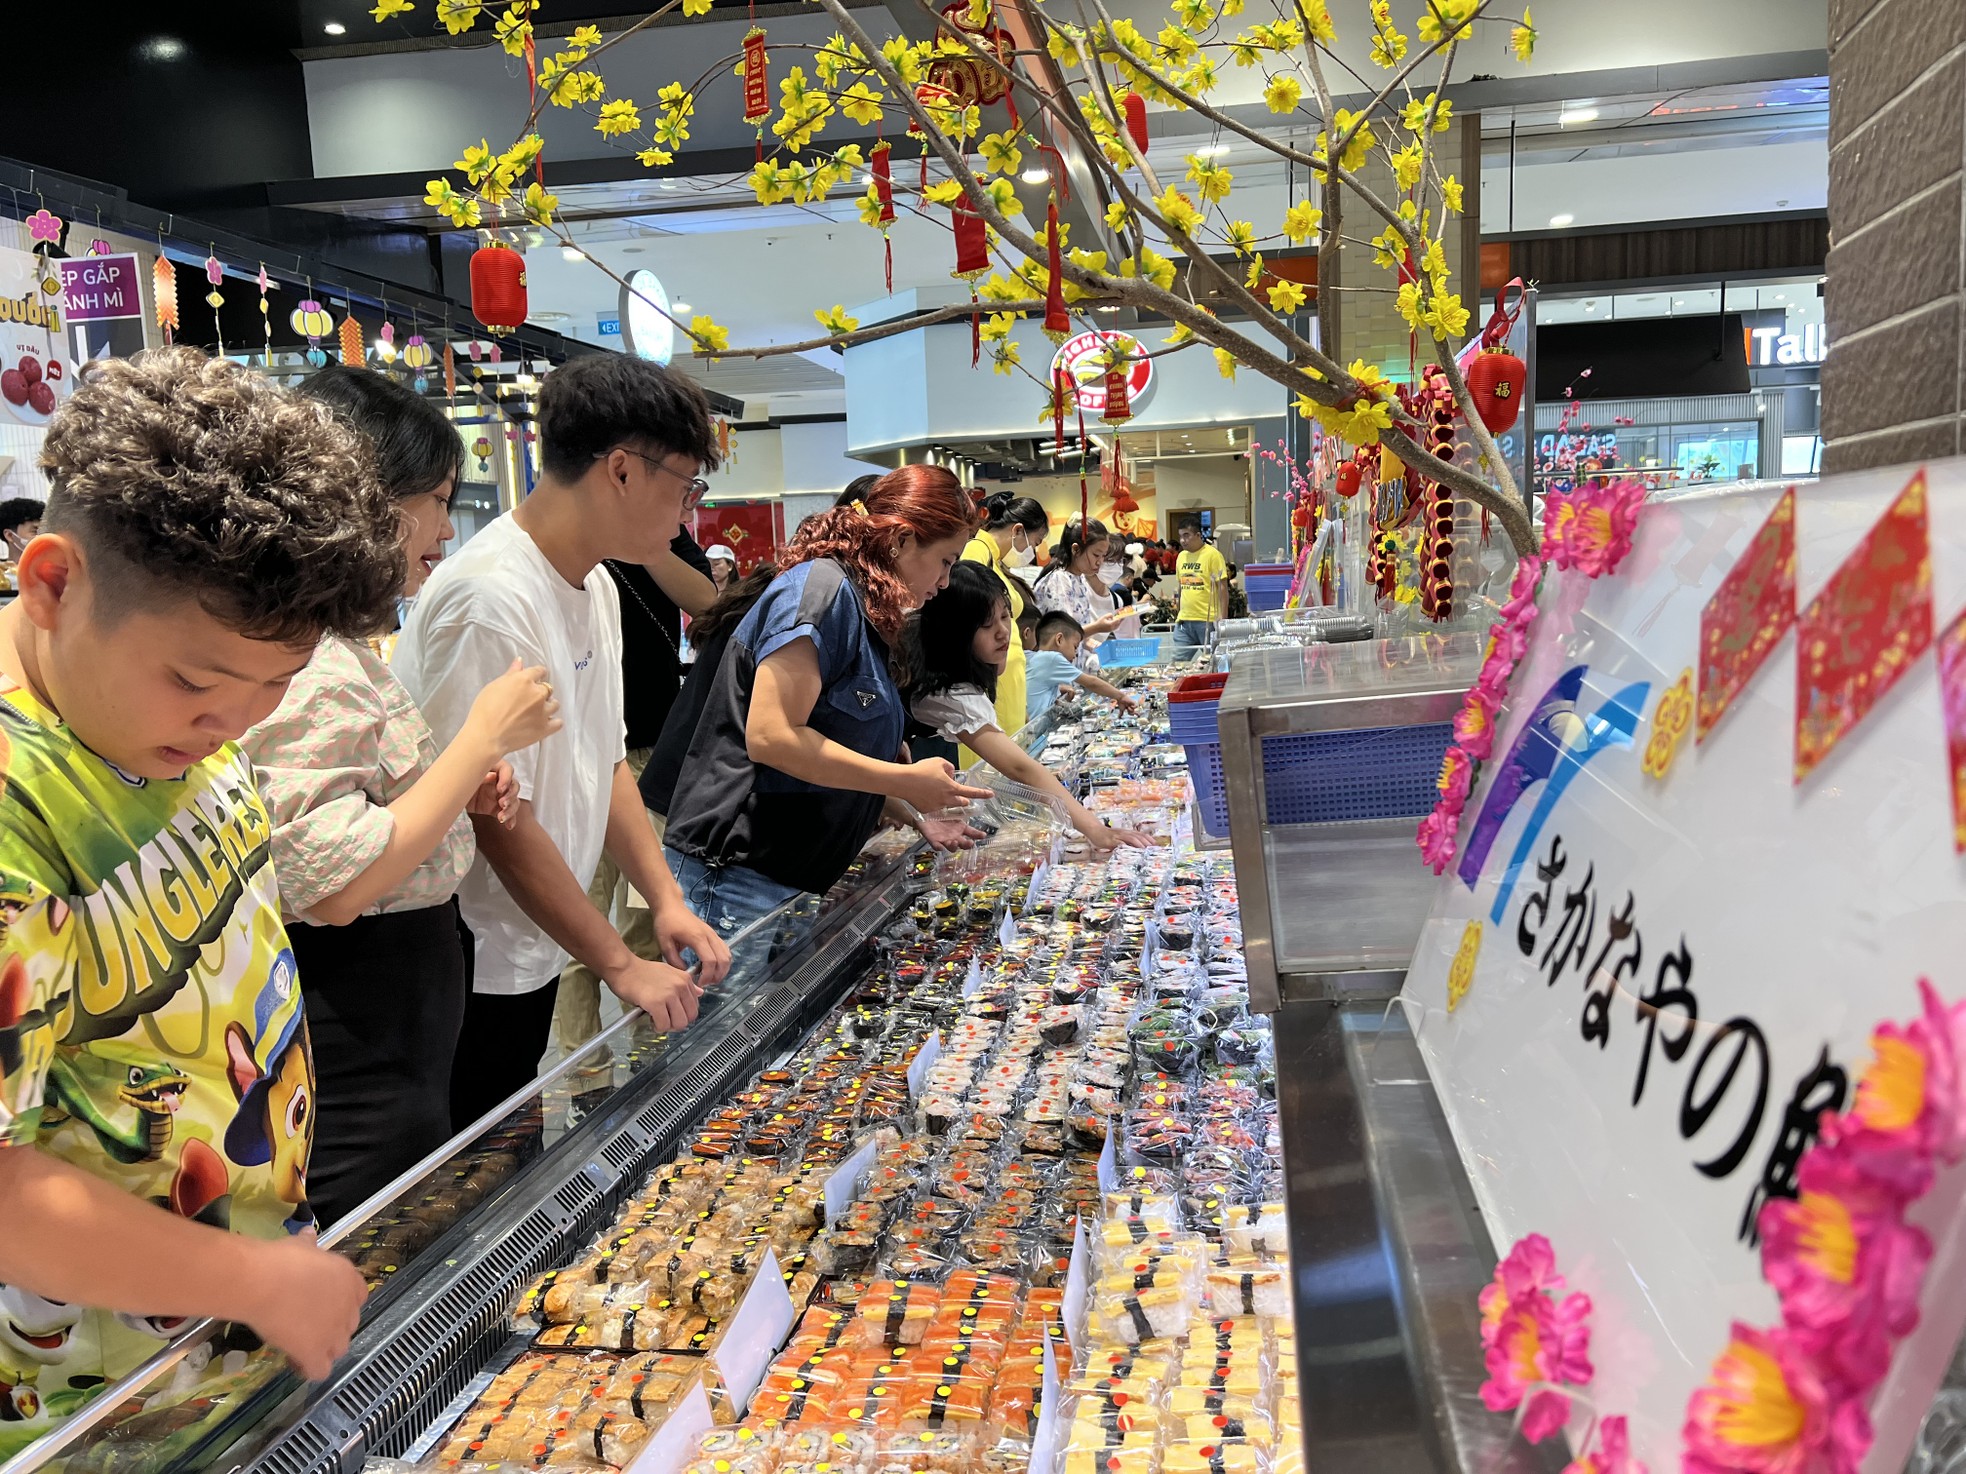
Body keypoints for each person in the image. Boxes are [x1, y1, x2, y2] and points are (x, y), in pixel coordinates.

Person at [0, 348, 404, 1449]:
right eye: (196, 680)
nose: (232, 720)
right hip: (85, 1404)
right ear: (51, 582)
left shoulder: (157, 713)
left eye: (274, 686)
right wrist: (249, 1276)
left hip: (228, 1340)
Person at [243, 366, 561, 1229]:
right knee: (370, 1249)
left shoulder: (340, 643)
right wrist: (478, 741)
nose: (445, 531)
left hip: (396, 1022)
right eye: (437, 498)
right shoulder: (303, 658)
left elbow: (358, 816)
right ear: (365, 498)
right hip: (354, 1027)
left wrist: (450, 784)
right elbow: (333, 882)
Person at [395, 355, 731, 1133]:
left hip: (532, 938)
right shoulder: (490, 596)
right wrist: (617, 961)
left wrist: (668, 902)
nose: (688, 514)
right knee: (470, 1182)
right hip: (468, 952)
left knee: (510, 1144)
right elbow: (491, 812)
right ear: (620, 470)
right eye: (685, 487)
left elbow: (605, 757)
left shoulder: (599, 582)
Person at [663, 465, 993, 938]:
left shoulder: (861, 602)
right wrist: (900, 778)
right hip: (738, 873)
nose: (944, 581)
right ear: (900, 540)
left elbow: (825, 734)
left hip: (784, 875)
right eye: (945, 560)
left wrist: (901, 801)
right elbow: (772, 737)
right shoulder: (822, 590)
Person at [554, 524, 717, 1061]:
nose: (684, 500)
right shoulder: (570, 544)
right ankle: (585, 1077)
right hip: (582, 758)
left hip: (653, 754)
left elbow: (708, 603)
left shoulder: (665, 537)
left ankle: (653, 1058)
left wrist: (646, 545)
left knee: (650, 921)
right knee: (582, 926)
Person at [910, 565, 1152, 852]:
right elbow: (1020, 768)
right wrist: (1094, 828)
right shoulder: (947, 692)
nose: (1002, 633)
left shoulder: (960, 676)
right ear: (955, 633)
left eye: (1005, 618)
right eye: (986, 625)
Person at [961, 493, 1049, 741]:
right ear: (1018, 530)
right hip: (991, 686)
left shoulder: (995, 560)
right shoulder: (977, 551)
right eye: (1036, 541)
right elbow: (966, 616)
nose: (1034, 550)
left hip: (1008, 684)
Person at [1032, 518, 1130, 656]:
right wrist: (1097, 627)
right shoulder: (1059, 580)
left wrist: (1096, 646)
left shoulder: (1080, 579)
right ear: (1076, 549)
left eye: (1103, 556)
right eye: (1096, 555)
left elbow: (1081, 634)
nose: (1100, 562)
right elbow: (1062, 636)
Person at [1027, 612, 1139, 720]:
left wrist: (1059, 689)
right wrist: (1121, 696)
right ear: (1059, 639)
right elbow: (1092, 683)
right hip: (1036, 730)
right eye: (1075, 646)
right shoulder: (1052, 658)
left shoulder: (1032, 656)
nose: (1075, 654)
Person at [1173, 519, 1229, 651]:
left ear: (1198, 535)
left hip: (1207, 620)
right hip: (1184, 621)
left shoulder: (1212, 555)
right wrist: (1179, 611)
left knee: (1212, 660)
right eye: (1180, 536)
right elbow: (1180, 586)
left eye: (1186, 535)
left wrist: (1223, 618)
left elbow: (1222, 587)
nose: (1182, 540)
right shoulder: (1181, 557)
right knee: (1178, 662)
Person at [0, 497, 43, 566]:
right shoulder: (2, 574)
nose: (43, 537)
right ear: (9, 535)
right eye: (35, 531)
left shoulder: (55, 571)